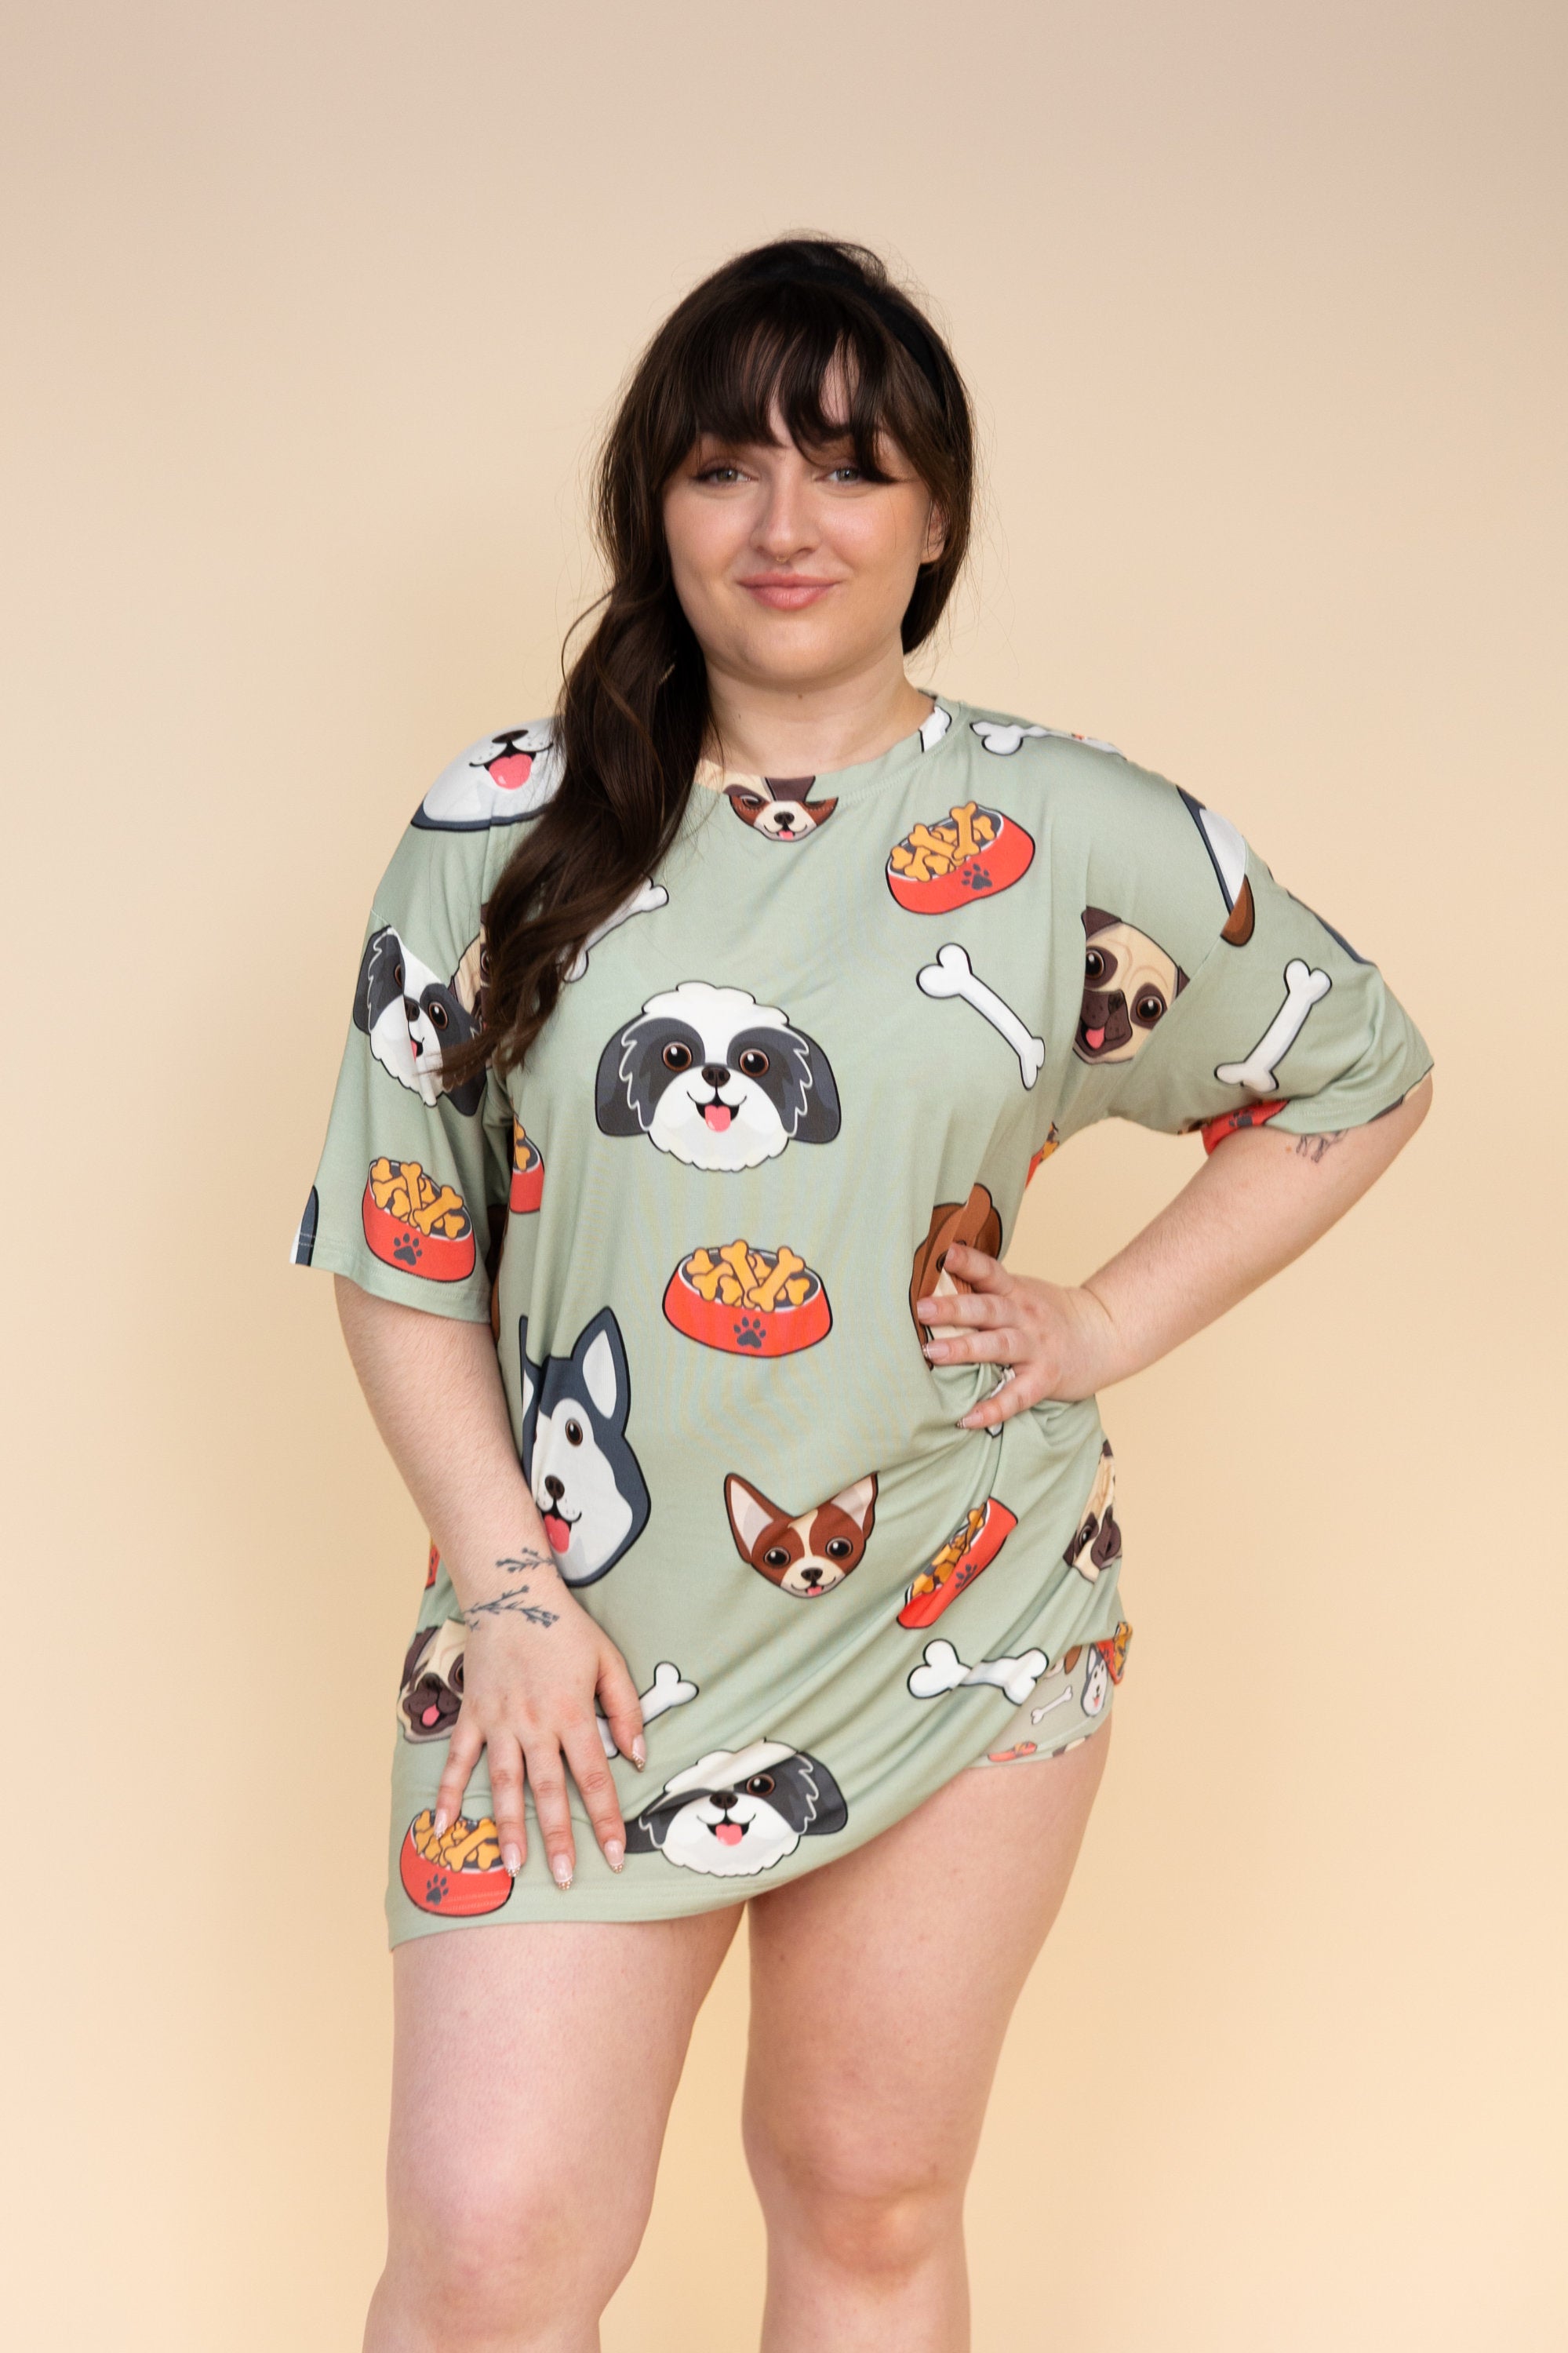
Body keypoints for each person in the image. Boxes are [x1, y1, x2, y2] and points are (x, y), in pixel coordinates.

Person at [292, 236, 1433, 2353]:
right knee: (492, 2244)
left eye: (848, 467)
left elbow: (1358, 1069)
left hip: (960, 1604)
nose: (786, 521)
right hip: (570, 1640)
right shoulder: (504, 822)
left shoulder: (1063, 822)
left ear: (936, 518)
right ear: (656, 508)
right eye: (726, 467)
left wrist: (1104, 1324)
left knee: (870, 2196)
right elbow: (398, 1241)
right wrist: (510, 1591)